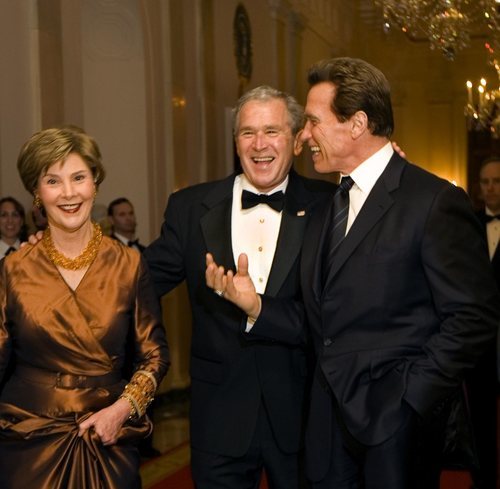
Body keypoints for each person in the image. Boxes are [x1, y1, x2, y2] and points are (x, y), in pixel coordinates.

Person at [206, 58, 500, 489]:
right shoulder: (328, 205)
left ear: (357, 123)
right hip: (325, 429)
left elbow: (473, 318)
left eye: (311, 122)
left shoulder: (432, 201)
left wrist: (410, 398)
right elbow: (321, 319)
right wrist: (254, 306)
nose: (303, 136)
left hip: (396, 430)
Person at [144, 85, 335, 489]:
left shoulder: (331, 205)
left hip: (304, 414)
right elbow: (136, 281)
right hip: (219, 417)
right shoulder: (190, 207)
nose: (259, 144)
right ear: (235, 142)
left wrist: (257, 308)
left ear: (297, 139)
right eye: (248, 132)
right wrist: (65, 253)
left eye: (272, 131)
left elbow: (337, 312)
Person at [0, 126, 169, 488]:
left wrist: (122, 410)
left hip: (106, 434)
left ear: (95, 181)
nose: (68, 193)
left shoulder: (129, 264)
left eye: (79, 177)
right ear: (36, 191)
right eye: (53, 180)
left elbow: (154, 356)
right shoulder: (14, 268)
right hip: (28, 436)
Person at [464, 156, 500, 489]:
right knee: (482, 420)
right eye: (485, 182)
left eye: (497, 181)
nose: (490, 188)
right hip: (480, 345)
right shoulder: (468, 224)